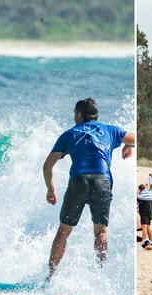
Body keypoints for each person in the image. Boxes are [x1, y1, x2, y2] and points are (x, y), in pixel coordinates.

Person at [43, 98, 134, 279]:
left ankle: (51, 276)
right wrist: (128, 146)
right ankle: (100, 273)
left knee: (64, 230)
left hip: (79, 181)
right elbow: (137, 137)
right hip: (102, 182)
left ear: (79, 115)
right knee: (100, 231)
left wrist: (51, 189)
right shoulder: (110, 130)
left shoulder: (70, 134)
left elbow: (47, 165)